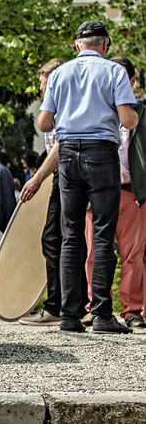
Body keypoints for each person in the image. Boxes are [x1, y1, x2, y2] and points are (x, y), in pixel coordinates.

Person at [38, 20, 137, 334]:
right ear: (105, 45)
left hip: (67, 154)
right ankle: (102, 315)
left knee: (71, 236)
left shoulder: (60, 74)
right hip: (101, 153)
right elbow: (128, 120)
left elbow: (43, 124)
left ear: (76, 44)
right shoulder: (114, 72)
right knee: (104, 235)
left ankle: (69, 315)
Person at [82, 57, 146, 328]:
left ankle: (132, 310)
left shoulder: (141, 113)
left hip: (132, 193)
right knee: (95, 254)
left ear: (130, 82)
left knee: (133, 255)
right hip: (97, 194)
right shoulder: (92, 110)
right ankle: (96, 307)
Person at [19, 59, 65, 326]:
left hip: (64, 174)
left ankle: (56, 306)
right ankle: (72, 304)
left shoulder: (61, 106)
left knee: (53, 239)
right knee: (66, 240)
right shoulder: (57, 105)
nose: (41, 89)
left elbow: (58, 145)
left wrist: (36, 179)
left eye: (43, 83)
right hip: (58, 174)